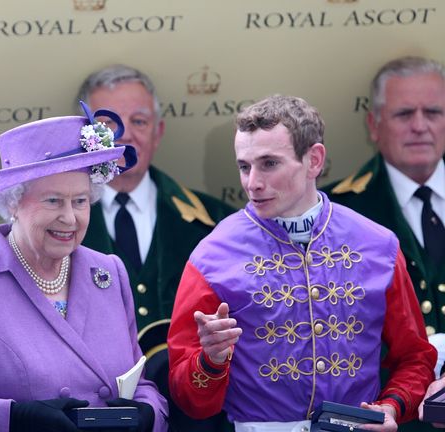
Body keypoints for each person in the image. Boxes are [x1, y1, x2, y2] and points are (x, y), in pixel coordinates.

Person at [168, 95, 436, 432]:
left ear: (314, 160)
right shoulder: (211, 256)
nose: (252, 183)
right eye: (244, 166)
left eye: (269, 163)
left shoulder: (377, 245)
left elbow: (414, 357)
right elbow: (187, 399)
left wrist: (392, 406)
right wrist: (211, 360)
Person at [0, 102, 168, 431]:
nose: (70, 218)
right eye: (53, 201)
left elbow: (139, 382)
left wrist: (148, 413)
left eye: (80, 201)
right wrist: (14, 419)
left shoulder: (108, 272)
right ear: (13, 201)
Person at [77, 64, 234, 431]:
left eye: (140, 122)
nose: (125, 135)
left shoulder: (218, 223)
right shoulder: (57, 227)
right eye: (108, 124)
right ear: (85, 134)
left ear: (159, 131)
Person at [324, 56, 445, 374]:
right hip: (393, 410)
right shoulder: (336, 213)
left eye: (433, 112)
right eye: (404, 114)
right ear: (374, 125)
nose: (420, 126)